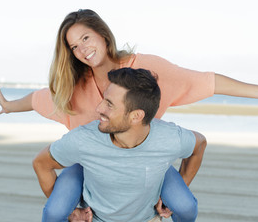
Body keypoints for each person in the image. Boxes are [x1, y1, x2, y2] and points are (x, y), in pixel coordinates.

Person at [0, 9, 258, 221]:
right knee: (54, 212)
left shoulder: (146, 69)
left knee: (185, 206)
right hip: (91, 165)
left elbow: (204, 81)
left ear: (103, 34)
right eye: (73, 46)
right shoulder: (74, 86)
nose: (82, 49)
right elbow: (37, 99)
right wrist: (9, 106)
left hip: (147, 160)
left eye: (85, 38)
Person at [33, 68, 207, 222]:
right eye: (104, 99)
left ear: (136, 116)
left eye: (109, 104)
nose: (99, 108)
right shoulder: (83, 139)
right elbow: (41, 162)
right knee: (54, 213)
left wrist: (175, 191)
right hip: (94, 208)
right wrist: (71, 213)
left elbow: (199, 144)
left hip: (148, 205)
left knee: (185, 206)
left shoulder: (170, 138)